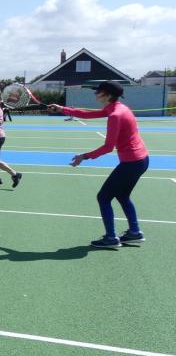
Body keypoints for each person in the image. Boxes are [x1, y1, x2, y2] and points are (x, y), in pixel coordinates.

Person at [48, 81, 148, 249]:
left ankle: (111, 238)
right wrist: (62, 109)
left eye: (98, 92)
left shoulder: (116, 115)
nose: (95, 94)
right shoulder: (119, 108)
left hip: (132, 163)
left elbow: (108, 147)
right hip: (141, 160)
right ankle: (134, 232)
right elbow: (87, 115)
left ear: (107, 95)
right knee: (122, 196)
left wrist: (84, 156)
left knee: (103, 197)